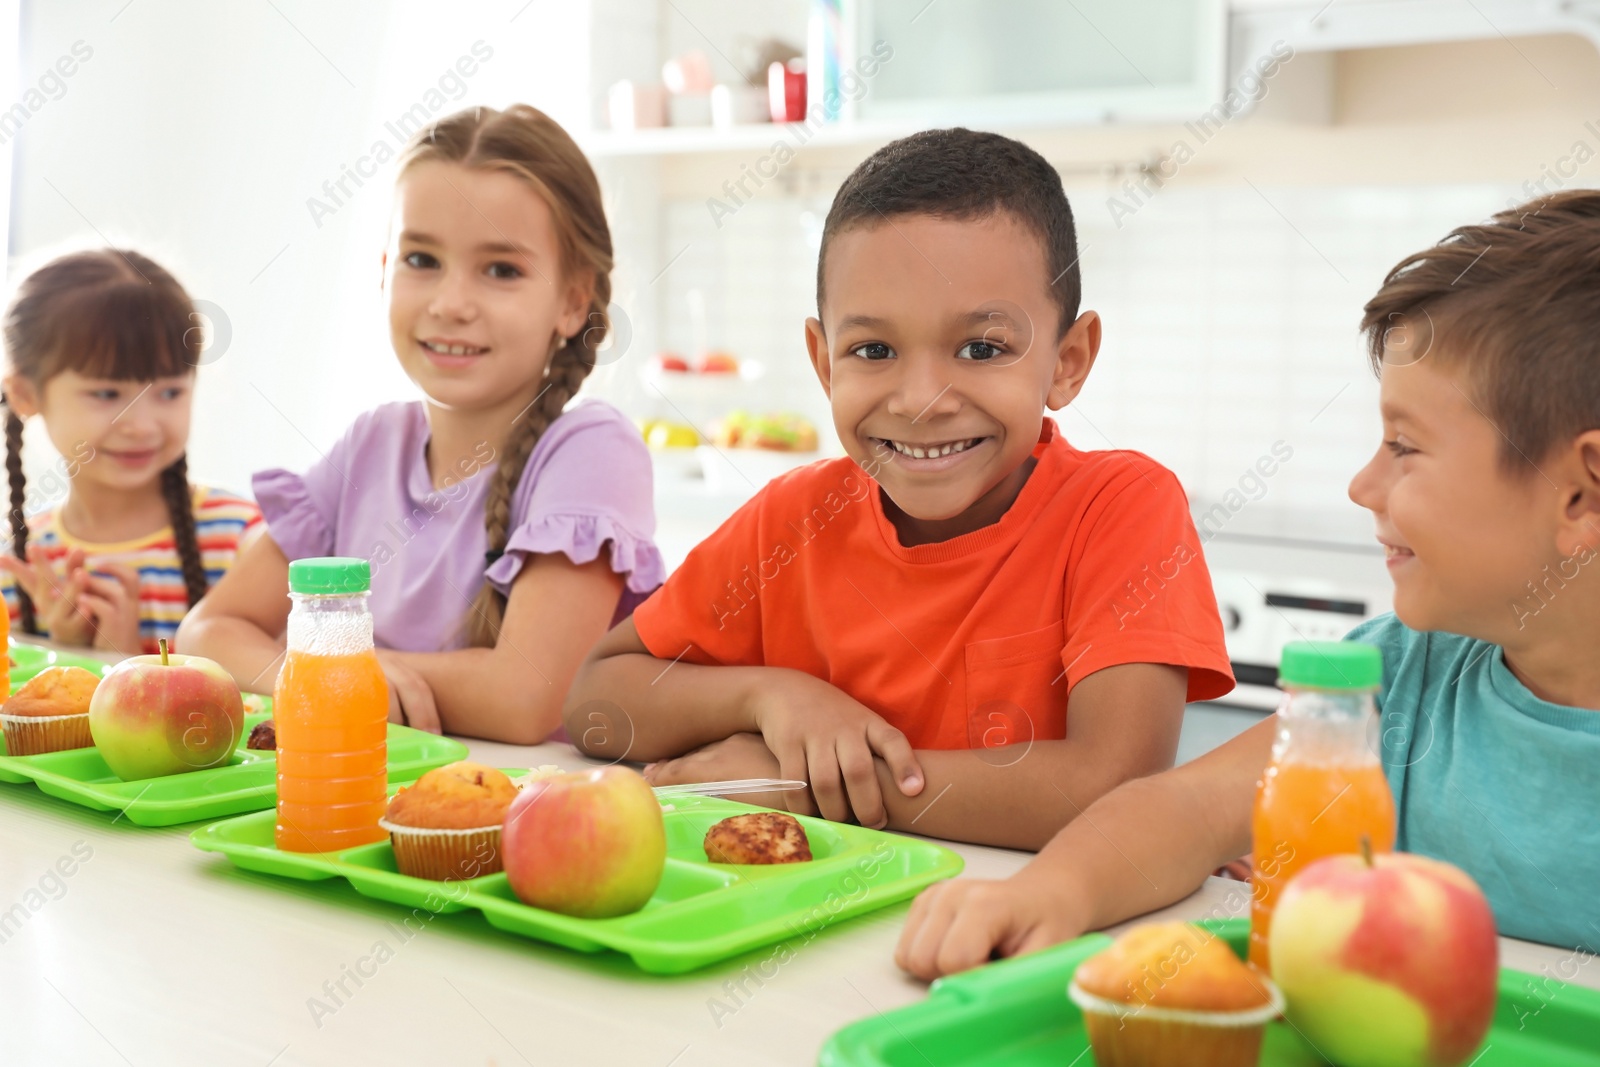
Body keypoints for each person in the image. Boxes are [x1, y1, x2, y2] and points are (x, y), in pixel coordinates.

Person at [895, 190, 1600, 978]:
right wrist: (1050, 891)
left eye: (1404, 447)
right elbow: (1187, 809)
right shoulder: (1402, 677)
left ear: (1581, 493)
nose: (1363, 485)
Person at [564, 128, 1233, 848]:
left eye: (981, 349)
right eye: (873, 350)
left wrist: (807, 786)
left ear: (1068, 361)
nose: (920, 399)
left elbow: (1112, 787)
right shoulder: (789, 521)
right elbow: (596, 703)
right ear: (824, 363)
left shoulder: (1121, 508)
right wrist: (772, 696)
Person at [179, 105, 663, 744]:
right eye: (422, 259)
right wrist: (347, 673)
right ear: (384, 270)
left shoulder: (592, 451)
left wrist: (336, 670)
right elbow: (209, 632)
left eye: (501, 270)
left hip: (508, 818)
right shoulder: (370, 445)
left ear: (574, 299)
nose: (450, 304)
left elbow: (525, 700)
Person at [0, 248, 262, 656]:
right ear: (24, 394)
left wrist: (123, 664)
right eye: (107, 393)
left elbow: (263, 713)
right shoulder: (17, 568)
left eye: (170, 392)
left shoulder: (245, 542)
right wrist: (73, 653)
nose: (141, 425)